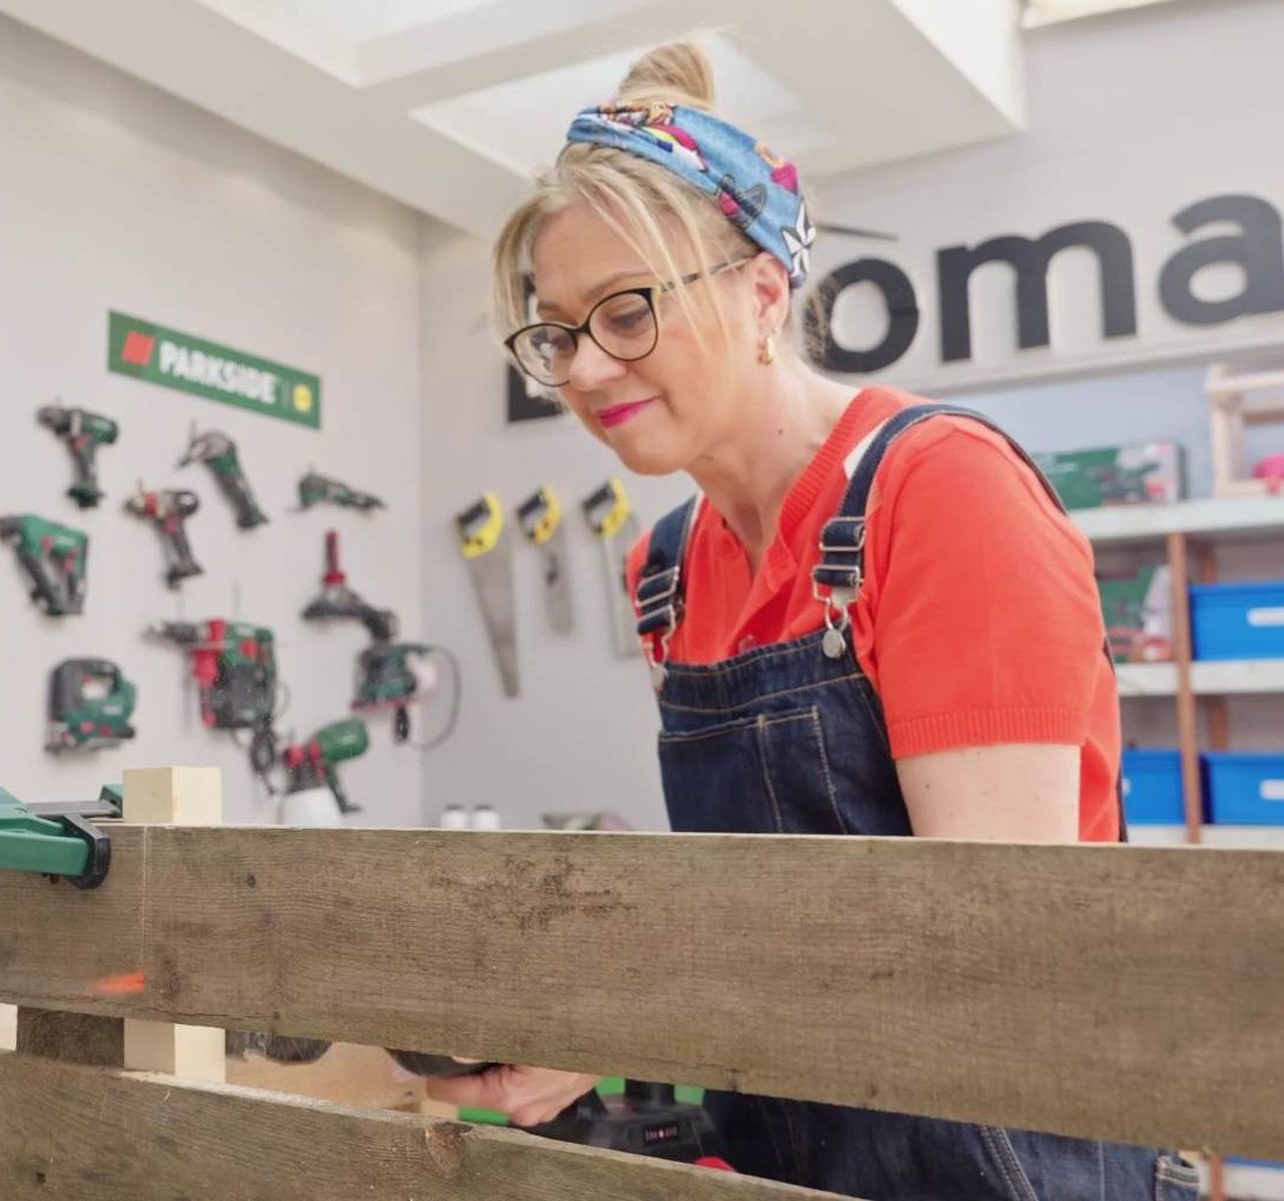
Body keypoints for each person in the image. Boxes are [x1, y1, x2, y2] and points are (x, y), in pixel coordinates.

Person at [426, 42, 1200, 1201]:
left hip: (1015, 1156)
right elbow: (757, 907)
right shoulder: (666, 570)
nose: (583, 367)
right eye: (555, 330)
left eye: (626, 311)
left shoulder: (938, 490)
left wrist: (624, 1018)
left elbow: (986, 935)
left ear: (763, 293)